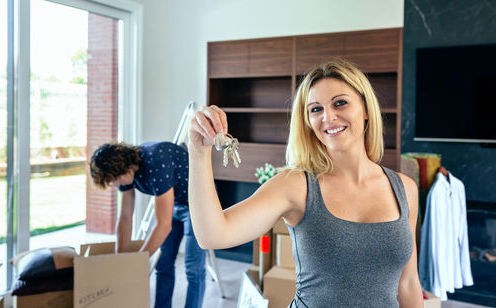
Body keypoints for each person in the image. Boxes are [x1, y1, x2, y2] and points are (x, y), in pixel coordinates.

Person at [187, 59, 423, 307]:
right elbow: (213, 235)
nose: (328, 117)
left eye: (340, 103)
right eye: (315, 109)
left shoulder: (405, 189)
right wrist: (198, 151)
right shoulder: (296, 185)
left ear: (365, 109)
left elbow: (408, 283)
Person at [89, 141, 206, 308]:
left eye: (114, 180)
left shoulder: (156, 161)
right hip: (175, 202)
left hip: (199, 203)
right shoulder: (127, 174)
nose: (115, 185)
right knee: (163, 264)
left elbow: (163, 226)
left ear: (122, 166)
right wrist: (120, 261)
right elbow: (125, 218)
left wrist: (136, 263)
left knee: (193, 269)